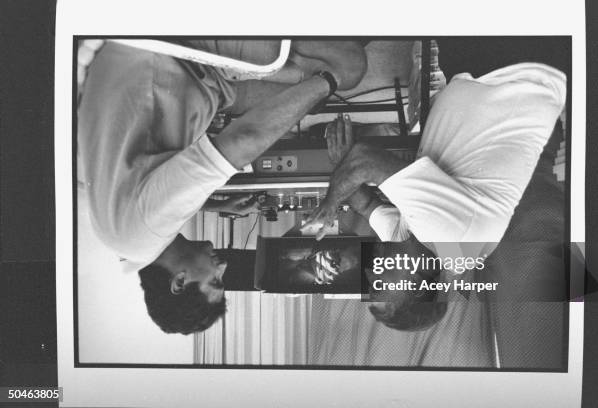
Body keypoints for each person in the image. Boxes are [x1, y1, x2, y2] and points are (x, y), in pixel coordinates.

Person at [78, 40, 367, 334]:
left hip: (168, 54)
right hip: (188, 84)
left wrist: (328, 82)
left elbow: (245, 138)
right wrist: (216, 205)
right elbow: (147, 191)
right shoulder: (126, 244)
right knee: (310, 92)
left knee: (348, 68)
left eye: (214, 280)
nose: (223, 268)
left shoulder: (142, 233)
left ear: (178, 282)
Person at [302, 63, 566, 330]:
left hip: (479, 77)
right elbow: (365, 161)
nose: (371, 273)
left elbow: (365, 204)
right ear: (416, 287)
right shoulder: (450, 239)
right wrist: (331, 201)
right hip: (518, 74)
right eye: (379, 285)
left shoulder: (415, 247)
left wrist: (341, 165)